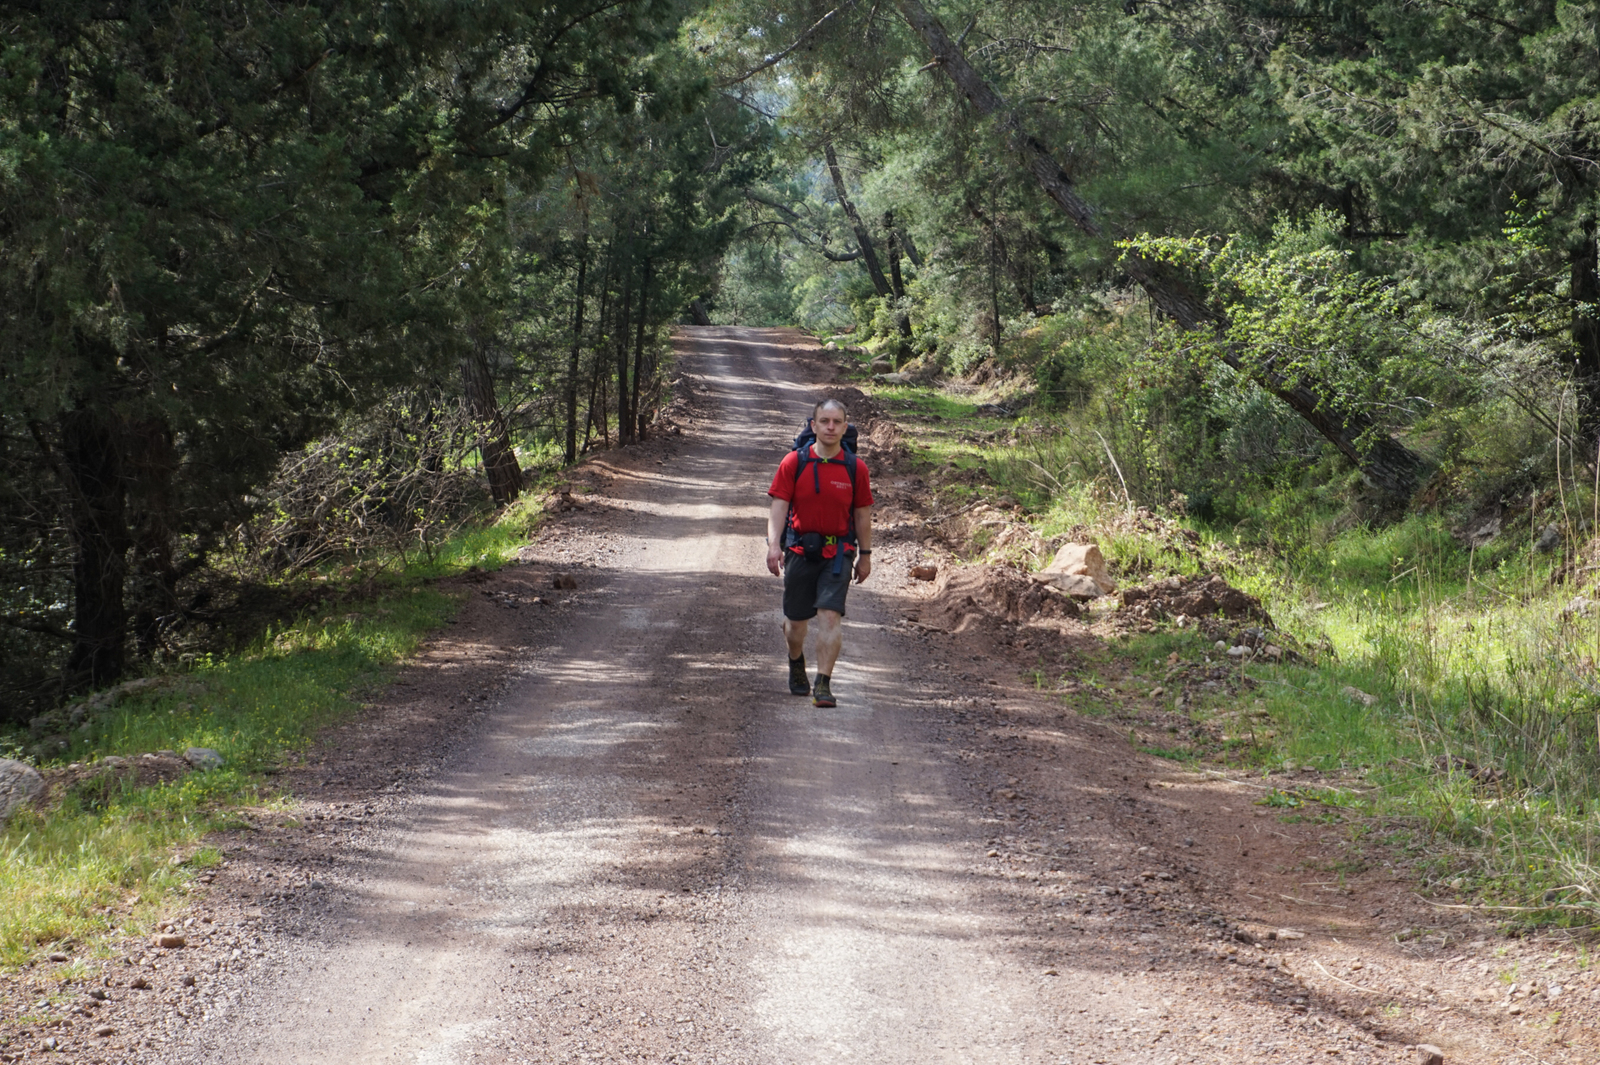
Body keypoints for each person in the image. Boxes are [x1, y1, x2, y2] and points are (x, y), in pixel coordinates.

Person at [765, 398, 874, 707]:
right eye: (824, 421)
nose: (830, 427)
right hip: (799, 549)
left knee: (829, 616)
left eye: (837, 422)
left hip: (838, 553)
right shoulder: (793, 462)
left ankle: (823, 683)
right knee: (796, 625)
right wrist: (775, 545)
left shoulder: (856, 468)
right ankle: (796, 661)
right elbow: (779, 506)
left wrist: (864, 555)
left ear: (845, 427)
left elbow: (863, 515)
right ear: (813, 426)